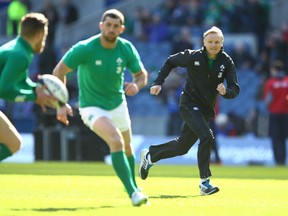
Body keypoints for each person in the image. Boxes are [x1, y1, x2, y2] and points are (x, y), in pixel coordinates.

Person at [52, 9, 149, 206]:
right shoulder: (85, 48)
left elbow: (142, 75)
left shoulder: (126, 48)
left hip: (118, 103)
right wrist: (60, 104)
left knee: (128, 147)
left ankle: (132, 186)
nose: (111, 29)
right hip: (91, 107)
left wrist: (136, 85)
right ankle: (133, 193)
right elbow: (58, 71)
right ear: (101, 25)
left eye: (115, 26)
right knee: (116, 141)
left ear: (121, 29)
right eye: (108, 25)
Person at [139, 26, 240, 195]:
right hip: (188, 104)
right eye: (210, 42)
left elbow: (235, 89)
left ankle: (150, 155)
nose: (213, 45)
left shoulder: (227, 62)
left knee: (182, 147)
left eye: (217, 42)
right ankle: (204, 183)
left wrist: (225, 92)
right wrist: (158, 82)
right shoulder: (193, 56)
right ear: (204, 42)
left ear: (222, 43)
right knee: (207, 136)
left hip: (205, 110)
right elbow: (171, 60)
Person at [0, 12, 58, 161]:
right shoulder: (20, 55)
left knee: (13, 142)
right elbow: (4, 89)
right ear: (39, 35)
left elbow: (21, 81)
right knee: (13, 143)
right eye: (44, 36)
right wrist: (34, 96)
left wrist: (35, 88)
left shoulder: (20, 49)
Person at [263, 60, 288, 165]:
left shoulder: (271, 82)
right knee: (283, 138)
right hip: (286, 114)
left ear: (274, 70)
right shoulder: (287, 81)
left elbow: (268, 100)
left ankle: (278, 161)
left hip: (274, 114)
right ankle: (283, 159)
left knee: (275, 138)